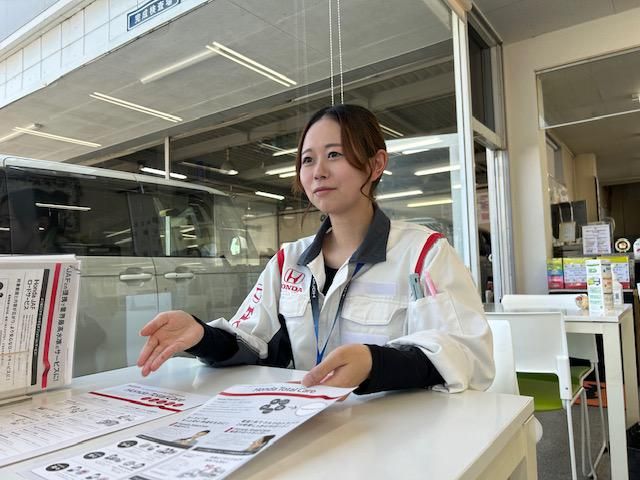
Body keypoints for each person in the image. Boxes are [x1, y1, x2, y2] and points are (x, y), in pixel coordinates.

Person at [137, 104, 494, 394]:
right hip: (308, 423)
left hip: (395, 432)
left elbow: (470, 357)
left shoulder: (424, 253)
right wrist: (202, 336)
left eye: (334, 154)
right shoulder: (288, 261)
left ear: (375, 165)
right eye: (308, 160)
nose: (318, 171)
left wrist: (375, 363)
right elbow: (252, 342)